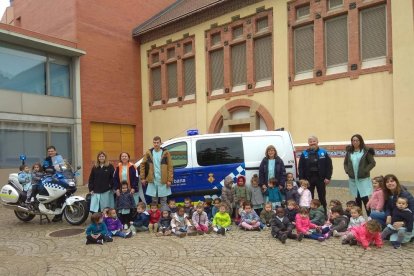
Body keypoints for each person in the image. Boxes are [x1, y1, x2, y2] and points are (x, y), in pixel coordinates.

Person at [298, 136, 332, 214]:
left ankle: (323, 214)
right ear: (308, 143)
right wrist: (302, 179)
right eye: (310, 141)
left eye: (314, 141)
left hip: (320, 178)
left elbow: (329, 166)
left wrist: (328, 177)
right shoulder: (304, 153)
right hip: (308, 179)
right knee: (308, 197)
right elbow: (301, 167)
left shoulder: (323, 152)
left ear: (317, 142)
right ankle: (309, 214)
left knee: (322, 197)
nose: (312, 143)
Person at [344, 134, 376, 216]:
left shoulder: (366, 151)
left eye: (357, 140)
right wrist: (347, 171)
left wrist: (365, 170)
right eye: (353, 140)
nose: (355, 142)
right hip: (353, 179)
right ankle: (359, 217)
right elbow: (346, 163)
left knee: (365, 198)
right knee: (357, 198)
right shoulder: (349, 152)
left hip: (363, 179)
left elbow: (372, 163)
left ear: (360, 141)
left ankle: (370, 216)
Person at [140, 136, 173, 209]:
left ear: (160, 143)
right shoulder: (149, 153)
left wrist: (169, 180)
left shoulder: (166, 152)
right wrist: (142, 178)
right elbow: (142, 164)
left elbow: (170, 167)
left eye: (157, 142)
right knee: (154, 201)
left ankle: (164, 218)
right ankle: (154, 218)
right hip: (153, 180)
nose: (156, 144)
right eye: (154, 143)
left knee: (163, 201)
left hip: (163, 180)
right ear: (153, 143)